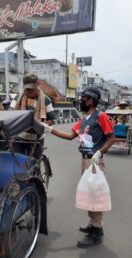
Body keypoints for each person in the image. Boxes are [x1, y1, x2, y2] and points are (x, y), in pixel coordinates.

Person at [42, 87, 115, 248]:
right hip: (84, 161)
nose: (81, 100)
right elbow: (70, 136)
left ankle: (96, 231)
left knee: (95, 195)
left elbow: (111, 138)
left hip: (94, 162)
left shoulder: (100, 116)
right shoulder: (84, 119)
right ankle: (93, 223)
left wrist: (99, 153)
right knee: (89, 194)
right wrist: (50, 129)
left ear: (91, 100)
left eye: (84, 98)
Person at [15, 73, 55, 159]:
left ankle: (36, 171)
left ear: (37, 84)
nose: (30, 91)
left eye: (32, 88)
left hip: (37, 139)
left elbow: (51, 119)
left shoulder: (46, 100)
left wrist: (40, 128)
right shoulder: (17, 99)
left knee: (34, 165)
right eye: (27, 89)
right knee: (16, 164)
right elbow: (10, 115)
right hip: (18, 138)